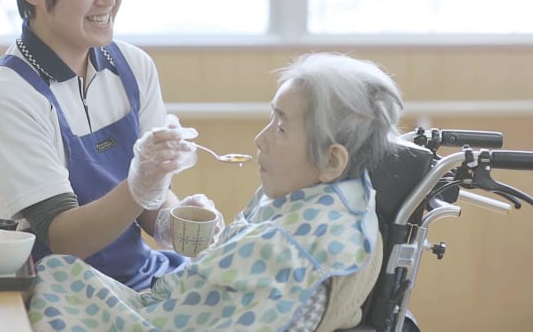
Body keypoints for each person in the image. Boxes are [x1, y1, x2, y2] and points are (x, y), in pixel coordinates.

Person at [27, 52, 404, 332]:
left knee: (54, 280)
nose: (260, 139)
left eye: (280, 127)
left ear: (332, 160)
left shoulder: (296, 252)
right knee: (58, 274)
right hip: (172, 303)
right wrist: (213, 242)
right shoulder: (318, 203)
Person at [0, 0, 220, 291]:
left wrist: (174, 220)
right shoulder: (8, 98)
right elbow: (64, 238)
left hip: (141, 278)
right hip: (62, 294)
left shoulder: (133, 68)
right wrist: (139, 184)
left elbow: (151, 202)